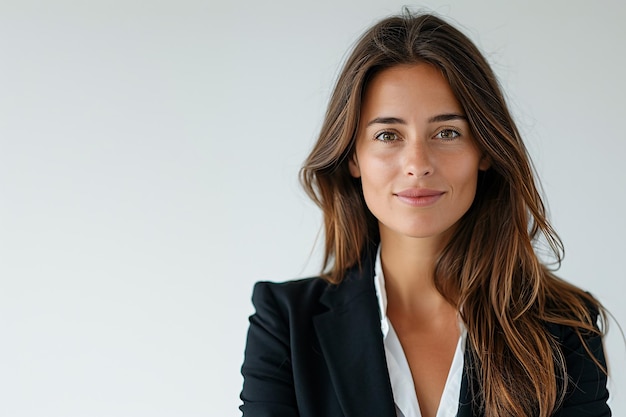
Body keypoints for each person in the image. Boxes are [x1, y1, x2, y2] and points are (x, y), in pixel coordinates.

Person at [239, 10, 611, 417]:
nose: (418, 163)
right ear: (352, 156)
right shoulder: (284, 323)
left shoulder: (565, 325)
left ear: (484, 151)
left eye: (447, 132)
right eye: (387, 135)